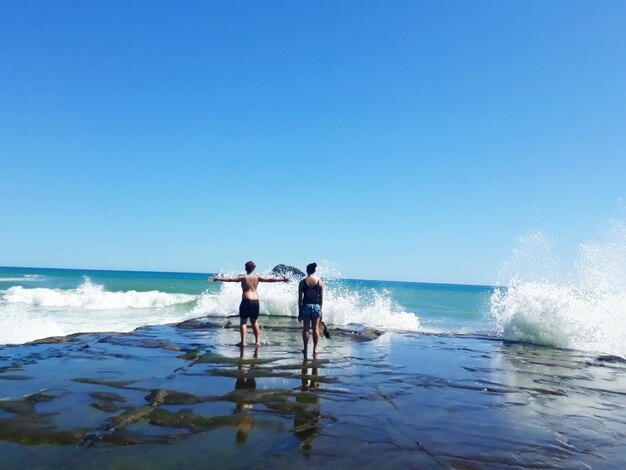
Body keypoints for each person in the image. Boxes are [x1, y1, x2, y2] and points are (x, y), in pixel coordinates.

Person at [211, 261, 288, 347]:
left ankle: (243, 342)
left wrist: (218, 279)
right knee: (254, 322)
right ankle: (257, 341)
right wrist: (282, 279)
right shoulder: (257, 277)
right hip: (255, 301)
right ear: (254, 268)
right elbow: (269, 280)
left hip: (246, 301)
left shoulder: (243, 278)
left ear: (245, 268)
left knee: (243, 322)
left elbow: (230, 280)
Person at [298, 262, 324, 358]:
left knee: (306, 328)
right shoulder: (319, 282)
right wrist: (321, 310)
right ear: (314, 270)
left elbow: (300, 298)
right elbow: (321, 298)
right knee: (315, 328)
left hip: (306, 306)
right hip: (316, 306)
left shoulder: (302, 282)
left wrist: (300, 311)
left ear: (307, 270)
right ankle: (315, 348)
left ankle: (305, 348)